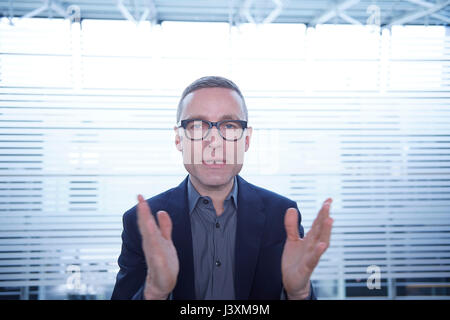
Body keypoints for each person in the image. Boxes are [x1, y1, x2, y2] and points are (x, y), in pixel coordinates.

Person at [111, 76, 333, 300]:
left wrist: (298, 293)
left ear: (246, 140)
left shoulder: (282, 217)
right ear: (179, 139)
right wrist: (154, 293)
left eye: (229, 126)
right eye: (197, 126)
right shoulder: (142, 222)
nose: (214, 141)